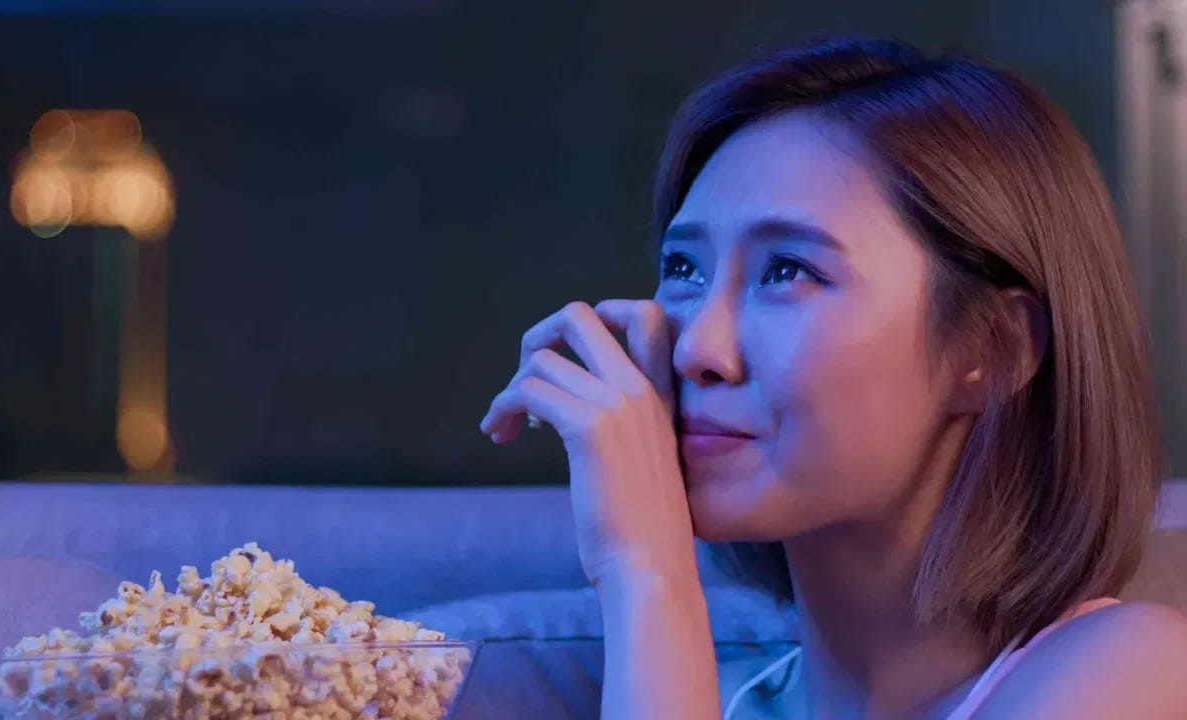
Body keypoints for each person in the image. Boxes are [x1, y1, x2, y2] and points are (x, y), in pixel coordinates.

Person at [478, 37, 1187, 719]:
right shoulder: (692, 693)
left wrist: (646, 573)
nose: (695, 347)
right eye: (684, 268)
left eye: (788, 270)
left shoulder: (1134, 670)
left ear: (991, 350)